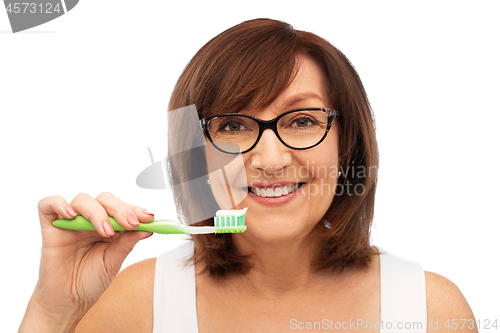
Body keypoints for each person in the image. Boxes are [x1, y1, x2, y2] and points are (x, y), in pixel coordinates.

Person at [19, 18, 477, 333]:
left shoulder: (429, 309)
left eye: (302, 121)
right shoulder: (135, 303)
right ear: (194, 154)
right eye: (233, 126)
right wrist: (54, 312)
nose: (270, 159)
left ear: (348, 143)